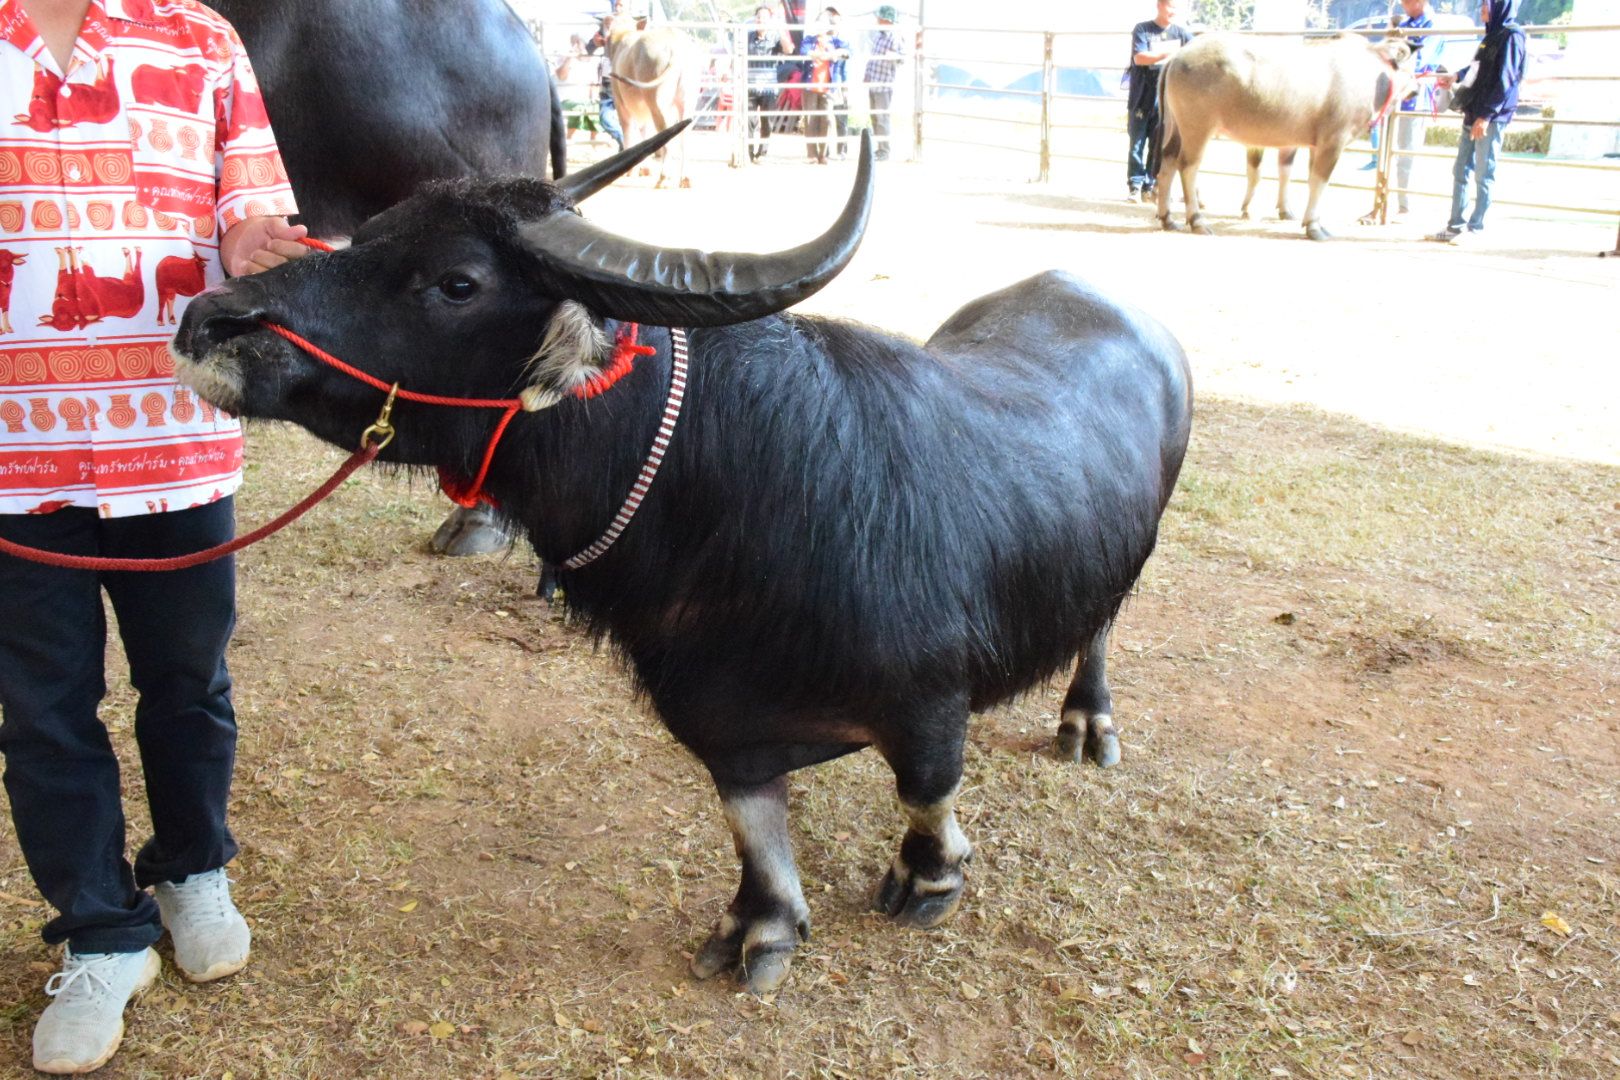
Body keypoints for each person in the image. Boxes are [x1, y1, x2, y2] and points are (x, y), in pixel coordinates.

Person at [0, 0, 305, 1072]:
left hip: (170, 434)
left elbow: (248, 207)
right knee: (41, 705)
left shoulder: (199, 37)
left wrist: (255, 242)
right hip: (10, 452)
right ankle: (100, 929)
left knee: (188, 676)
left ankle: (192, 868)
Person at [1427, 0, 1526, 244]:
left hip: (1489, 117)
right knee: (1461, 169)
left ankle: (1476, 227)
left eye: (1486, 4)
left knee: (1484, 172)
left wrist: (1487, 114)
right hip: (1474, 111)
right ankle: (1455, 225)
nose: (1482, 9)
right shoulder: (1491, 35)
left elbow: (1507, 79)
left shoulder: (1512, 36)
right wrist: (1456, 76)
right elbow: (1477, 68)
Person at [1126, 0, 1192, 202]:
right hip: (1142, 95)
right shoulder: (1143, 29)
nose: (1173, 11)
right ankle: (1135, 185)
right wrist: (1168, 54)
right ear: (1160, 5)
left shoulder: (1182, 34)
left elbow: (1195, 52)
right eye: (1170, 6)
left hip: (1166, 99)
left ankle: (1150, 184)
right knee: (1137, 141)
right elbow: (1140, 58)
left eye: (1176, 7)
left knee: (1158, 142)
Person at [1389, 0, 1436, 213]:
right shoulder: (1407, 23)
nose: (1402, 3)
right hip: (1396, 90)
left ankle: (1405, 204)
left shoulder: (1432, 25)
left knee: (1407, 149)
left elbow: (1421, 60)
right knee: (1393, 147)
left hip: (1414, 93)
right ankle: (1391, 198)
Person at [800, 13, 849, 164]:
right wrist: (828, 55)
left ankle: (823, 154)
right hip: (810, 86)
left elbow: (847, 51)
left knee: (826, 119)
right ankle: (812, 154)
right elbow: (805, 52)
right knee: (810, 120)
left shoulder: (835, 41)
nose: (820, 27)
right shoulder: (809, 40)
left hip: (827, 87)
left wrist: (833, 53)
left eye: (823, 23)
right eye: (818, 23)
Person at [746, 5, 789, 160]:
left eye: (764, 17)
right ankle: (749, 152)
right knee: (749, 121)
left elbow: (789, 49)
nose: (761, 20)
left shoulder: (775, 37)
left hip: (768, 88)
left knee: (767, 122)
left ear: (769, 20)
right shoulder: (748, 37)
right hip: (750, 86)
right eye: (758, 17)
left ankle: (762, 153)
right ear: (755, 19)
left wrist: (781, 30)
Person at [865, 4, 905, 162]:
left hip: (884, 83)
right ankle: (879, 148)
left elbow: (902, 56)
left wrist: (893, 55)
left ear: (886, 20)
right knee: (875, 117)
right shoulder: (879, 36)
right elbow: (873, 57)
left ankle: (884, 150)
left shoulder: (895, 36)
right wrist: (867, 74)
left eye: (879, 18)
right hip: (874, 81)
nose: (877, 20)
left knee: (882, 117)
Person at [589, 17, 627, 151]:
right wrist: (596, 43)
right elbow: (589, 48)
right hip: (609, 82)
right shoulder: (602, 33)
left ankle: (627, 144)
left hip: (624, 81)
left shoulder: (628, 32)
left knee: (620, 118)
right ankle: (625, 142)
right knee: (606, 118)